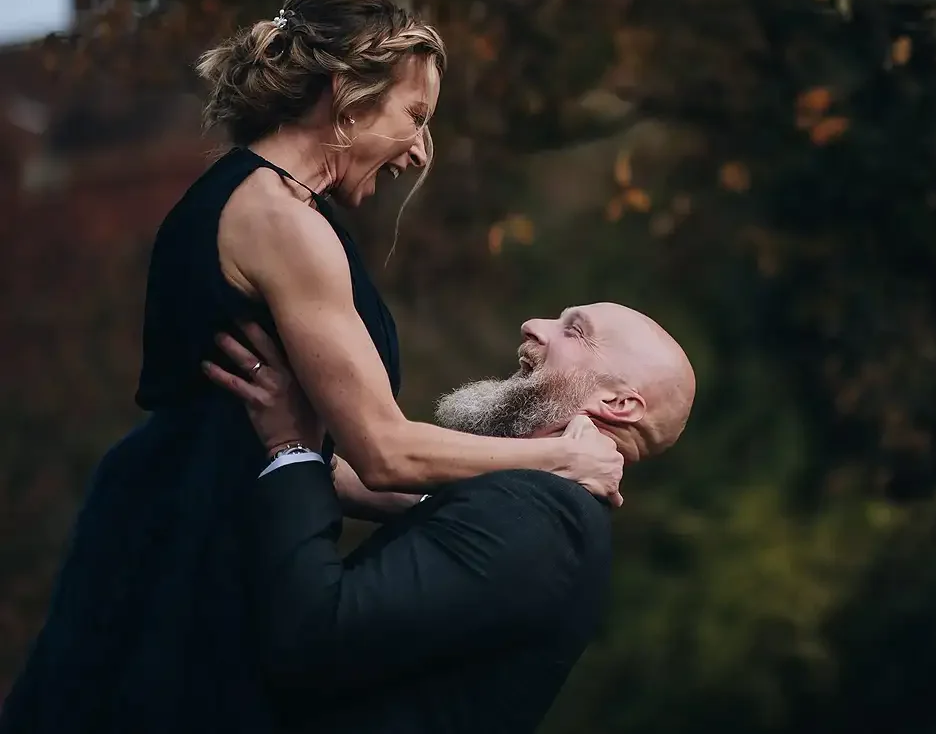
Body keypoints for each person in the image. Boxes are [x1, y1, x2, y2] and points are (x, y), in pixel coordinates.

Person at [0, 0, 623, 734]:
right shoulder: (280, 221)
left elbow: (337, 467)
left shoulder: (284, 209)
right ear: (345, 94)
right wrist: (559, 460)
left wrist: (473, 506)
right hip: (185, 542)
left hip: (189, 510)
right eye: (414, 116)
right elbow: (386, 451)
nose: (419, 148)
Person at [202, 302, 695, 734]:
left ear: (617, 403)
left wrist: (288, 447)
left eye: (574, 330)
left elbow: (315, 634)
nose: (532, 326)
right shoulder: (535, 506)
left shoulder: (542, 516)